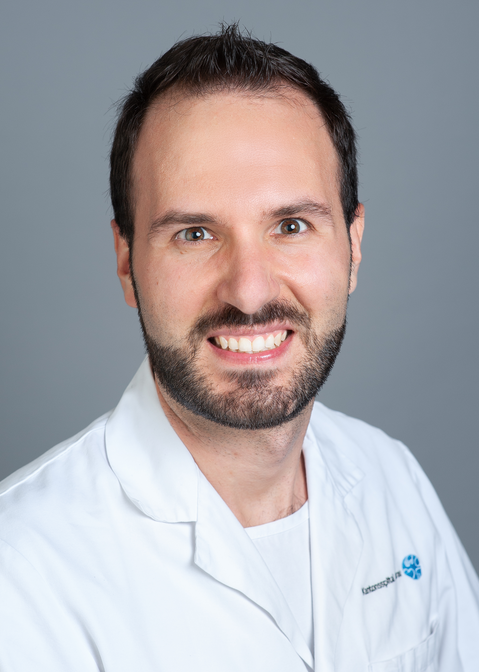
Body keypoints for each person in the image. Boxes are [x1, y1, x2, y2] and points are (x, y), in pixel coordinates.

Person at [0, 24, 478, 672]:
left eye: (291, 225)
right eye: (195, 234)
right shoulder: (22, 573)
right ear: (126, 262)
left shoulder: (392, 480)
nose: (249, 293)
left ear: (353, 244)